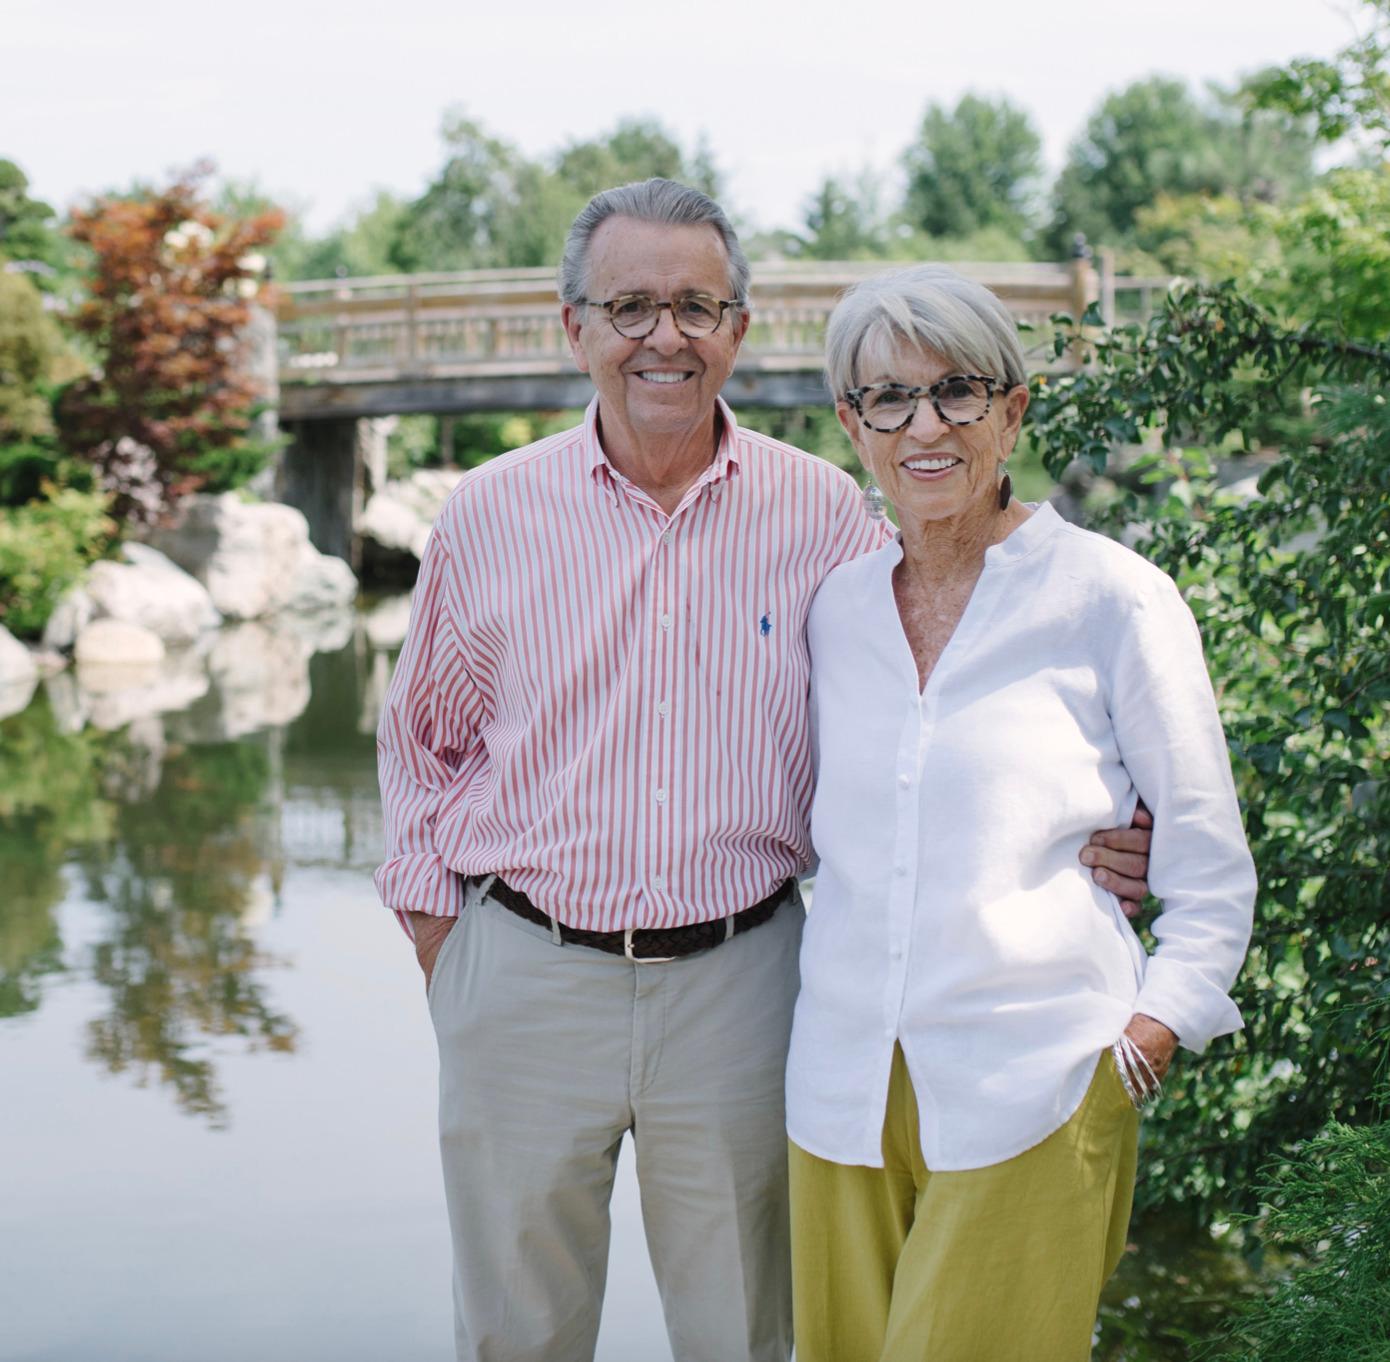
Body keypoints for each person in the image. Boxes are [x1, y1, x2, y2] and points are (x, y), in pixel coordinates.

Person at [374, 182, 1153, 1362]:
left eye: (696, 304)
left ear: (740, 328)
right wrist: (445, 938)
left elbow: (945, 693)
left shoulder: (829, 516)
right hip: (521, 979)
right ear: (572, 325)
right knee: (514, 1337)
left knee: (745, 1335)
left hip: (745, 984)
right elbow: (422, 743)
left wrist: (1102, 812)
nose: (663, 336)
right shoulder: (487, 513)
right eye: (629, 305)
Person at [785, 264, 1257, 1362]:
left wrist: (1153, 1030)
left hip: (1036, 1079)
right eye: (886, 399)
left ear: (1014, 408)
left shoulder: (1110, 596)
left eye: (957, 391)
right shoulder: (834, 611)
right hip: (841, 1084)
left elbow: (1207, 863)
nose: (924, 426)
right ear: (853, 427)